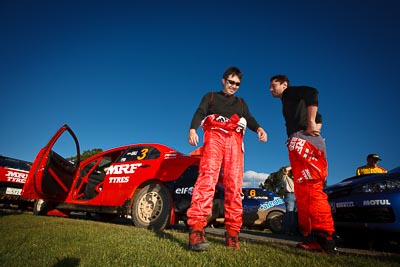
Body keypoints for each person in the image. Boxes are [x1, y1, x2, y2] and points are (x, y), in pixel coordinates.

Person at [187, 66, 267, 251]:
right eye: (231, 82)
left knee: (234, 185)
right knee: (207, 178)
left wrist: (260, 129)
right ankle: (197, 229)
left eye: (237, 84)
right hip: (214, 136)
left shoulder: (241, 102)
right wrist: (192, 129)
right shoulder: (211, 97)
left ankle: (232, 233)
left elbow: (249, 117)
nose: (234, 86)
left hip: (235, 139)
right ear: (223, 81)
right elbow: (200, 112)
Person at [269, 74, 336, 253]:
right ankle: (314, 238)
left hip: (304, 141)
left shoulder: (290, 92)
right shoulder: (289, 101)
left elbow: (312, 93)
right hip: (297, 141)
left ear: (284, 84)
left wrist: (312, 125)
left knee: (312, 187)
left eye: (274, 85)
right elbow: (318, 114)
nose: (270, 89)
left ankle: (326, 239)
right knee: (303, 190)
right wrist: (313, 125)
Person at [279, 166, 298, 235]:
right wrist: (294, 164)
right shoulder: (285, 177)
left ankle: (294, 230)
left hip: (296, 195)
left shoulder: (294, 179)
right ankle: (287, 230)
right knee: (289, 213)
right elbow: (285, 169)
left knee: (295, 214)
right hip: (289, 195)